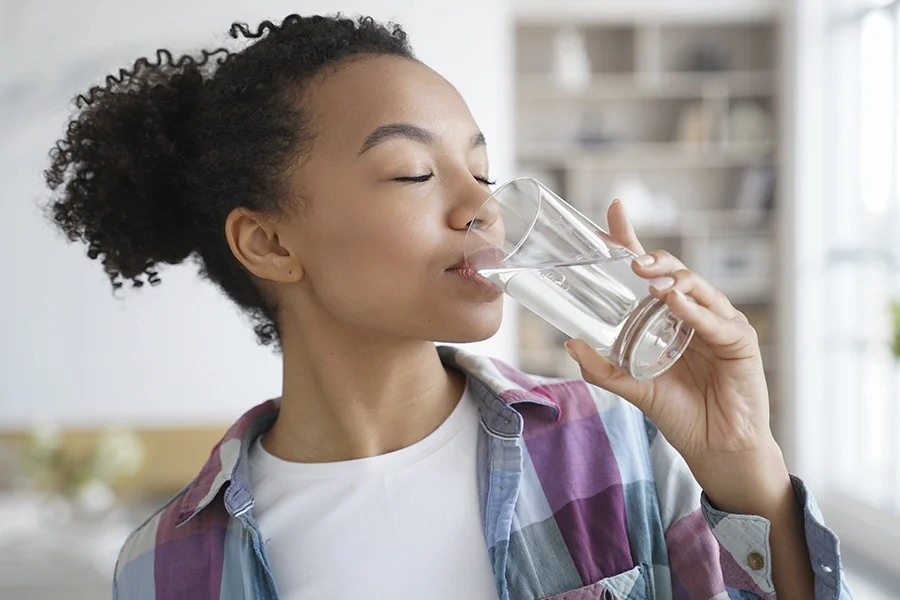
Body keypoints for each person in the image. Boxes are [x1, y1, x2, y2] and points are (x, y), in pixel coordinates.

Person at [44, 13, 850, 600]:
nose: (483, 209)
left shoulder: (609, 444)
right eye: (412, 173)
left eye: (483, 171)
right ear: (270, 244)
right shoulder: (165, 566)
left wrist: (747, 466)